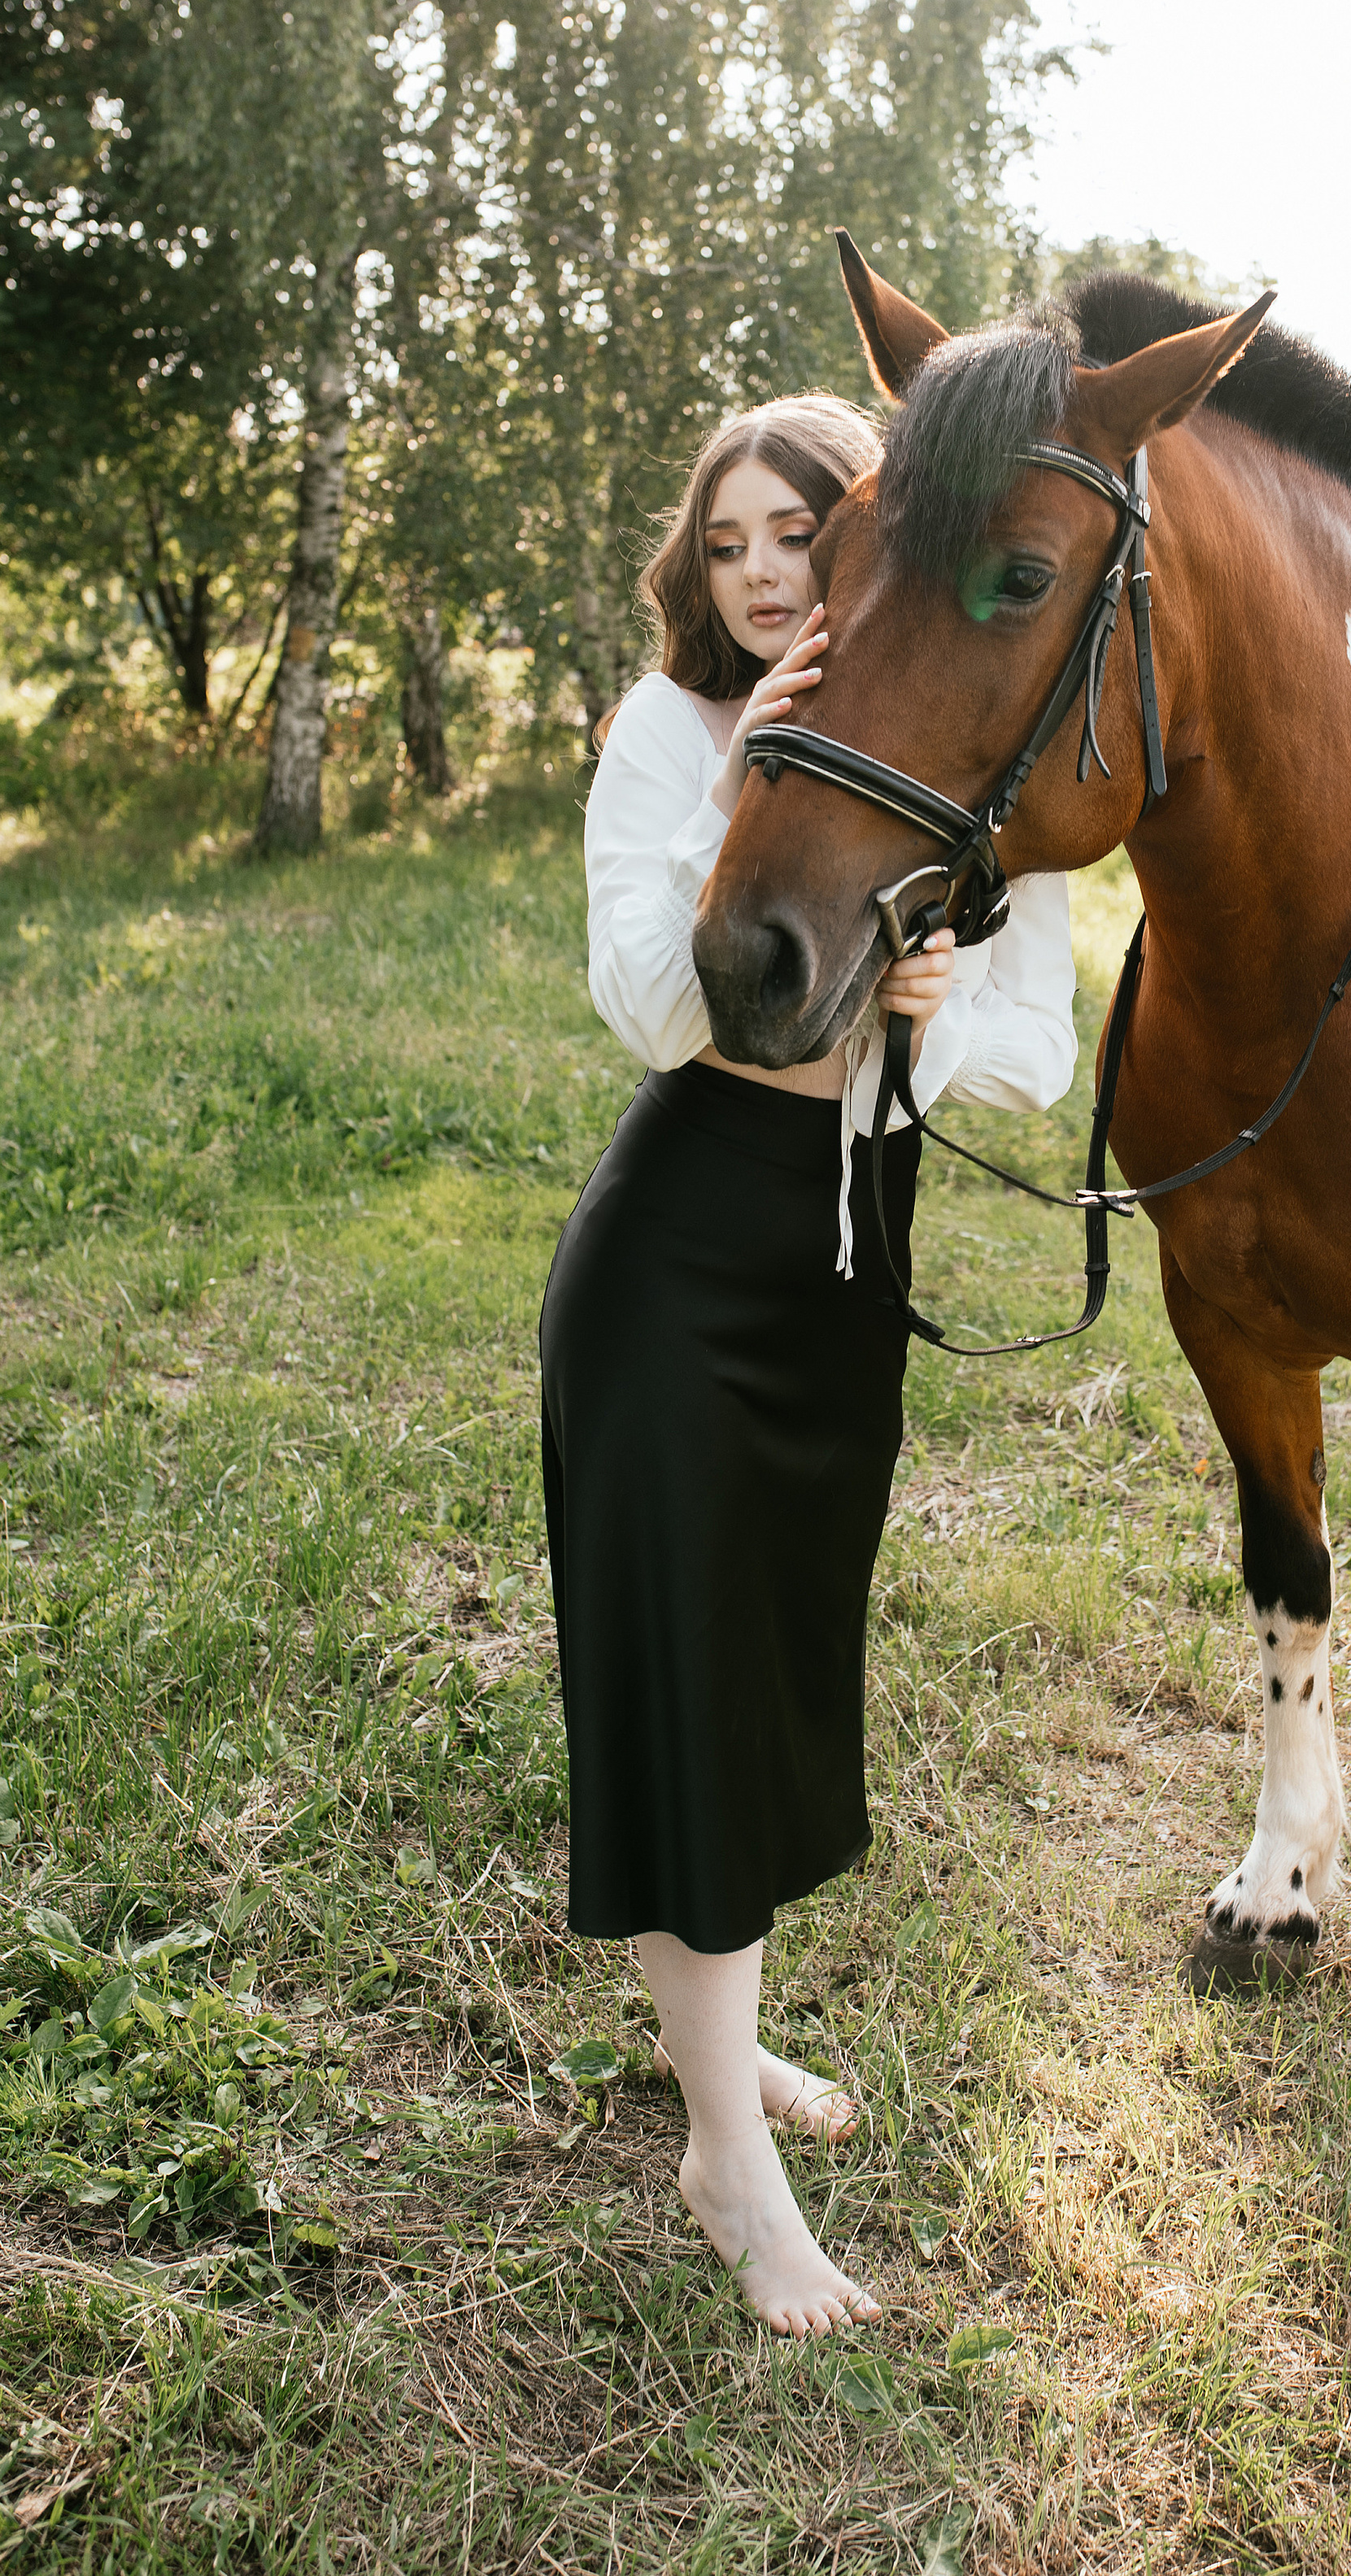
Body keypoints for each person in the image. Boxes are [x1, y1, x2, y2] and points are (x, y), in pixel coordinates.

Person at [541, 393, 1077, 2336]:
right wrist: (733, 775)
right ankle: (722, 2159)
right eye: (729, 545)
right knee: (690, 1687)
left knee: (767, 1682)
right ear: (696, 567)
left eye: (797, 537)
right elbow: (646, 1007)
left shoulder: (963, 739)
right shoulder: (663, 734)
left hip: (844, 1284)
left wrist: (927, 1015)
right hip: (675, 1267)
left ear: (863, 545)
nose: (764, 574)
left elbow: (1040, 1045)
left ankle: (725, 2043)